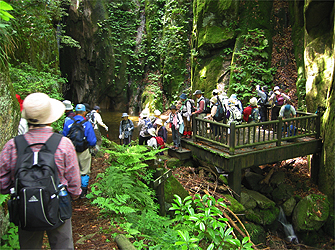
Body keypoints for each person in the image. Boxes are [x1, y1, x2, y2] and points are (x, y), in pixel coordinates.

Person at [0, 92, 81, 249]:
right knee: (62, 246)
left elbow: (2, 185)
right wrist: (73, 195)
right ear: (50, 117)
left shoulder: (12, 145)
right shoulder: (64, 144)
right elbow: (75, 183)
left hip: (25, 208)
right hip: (58, 205)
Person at [63, 104, 96, 198]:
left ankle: (70, 190)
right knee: (84, 171)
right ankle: (83, 192)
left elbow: (64, 136)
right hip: (83, 151)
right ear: (85, 112)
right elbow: (92, 140)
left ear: (75, 112)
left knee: (70, 170)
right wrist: (91, 147)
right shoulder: (87, 124)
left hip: (70, 151)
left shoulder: (69, 122)